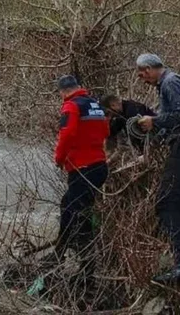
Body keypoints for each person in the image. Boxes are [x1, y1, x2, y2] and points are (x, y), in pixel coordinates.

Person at [134, 53, 180, 285]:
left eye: (142, 73)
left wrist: (154, 121)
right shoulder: (170, 83)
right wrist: (158, 132)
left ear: (148, 69)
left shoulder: (170, 81)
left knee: (165, 202)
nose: (142, 78)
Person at [53, 75, 110, 266]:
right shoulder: (95, 105)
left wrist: (59, 159)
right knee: (74, 206)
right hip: (100, 166)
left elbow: (67, 134)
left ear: (63, 92)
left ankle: (71, 257)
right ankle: (75, 254)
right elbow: (105, 131)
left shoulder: (71, 105)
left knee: (74, 210)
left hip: (82, 167)